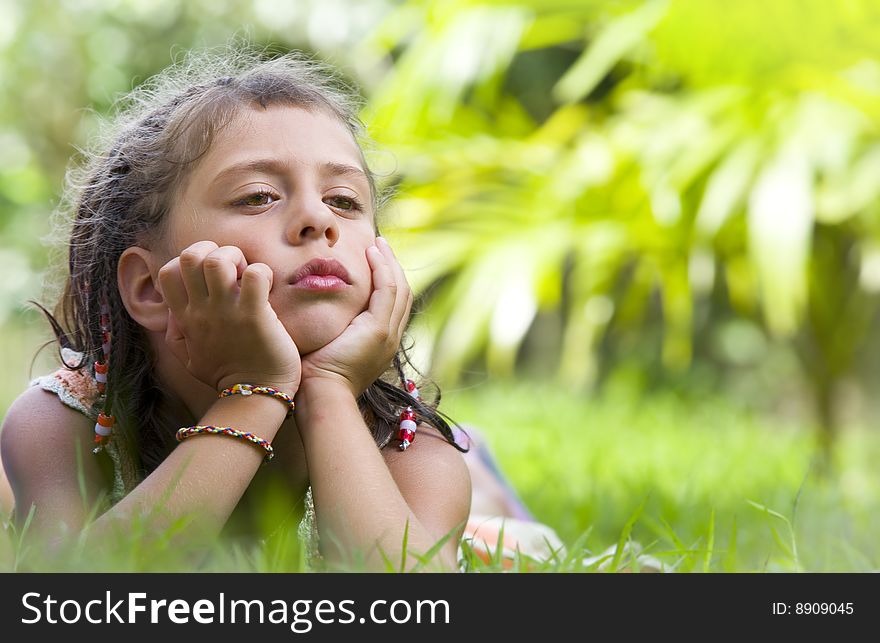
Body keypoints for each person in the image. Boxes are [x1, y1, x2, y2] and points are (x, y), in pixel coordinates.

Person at [0, 46, 564, 572]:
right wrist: (254, 392)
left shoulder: (406, 439)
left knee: (507, 542)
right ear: (150, 287)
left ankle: (484, 478)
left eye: (344, 201)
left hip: (457, 496)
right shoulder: (65, 423)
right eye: (258, 196)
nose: (319, 221)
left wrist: (329, 391)